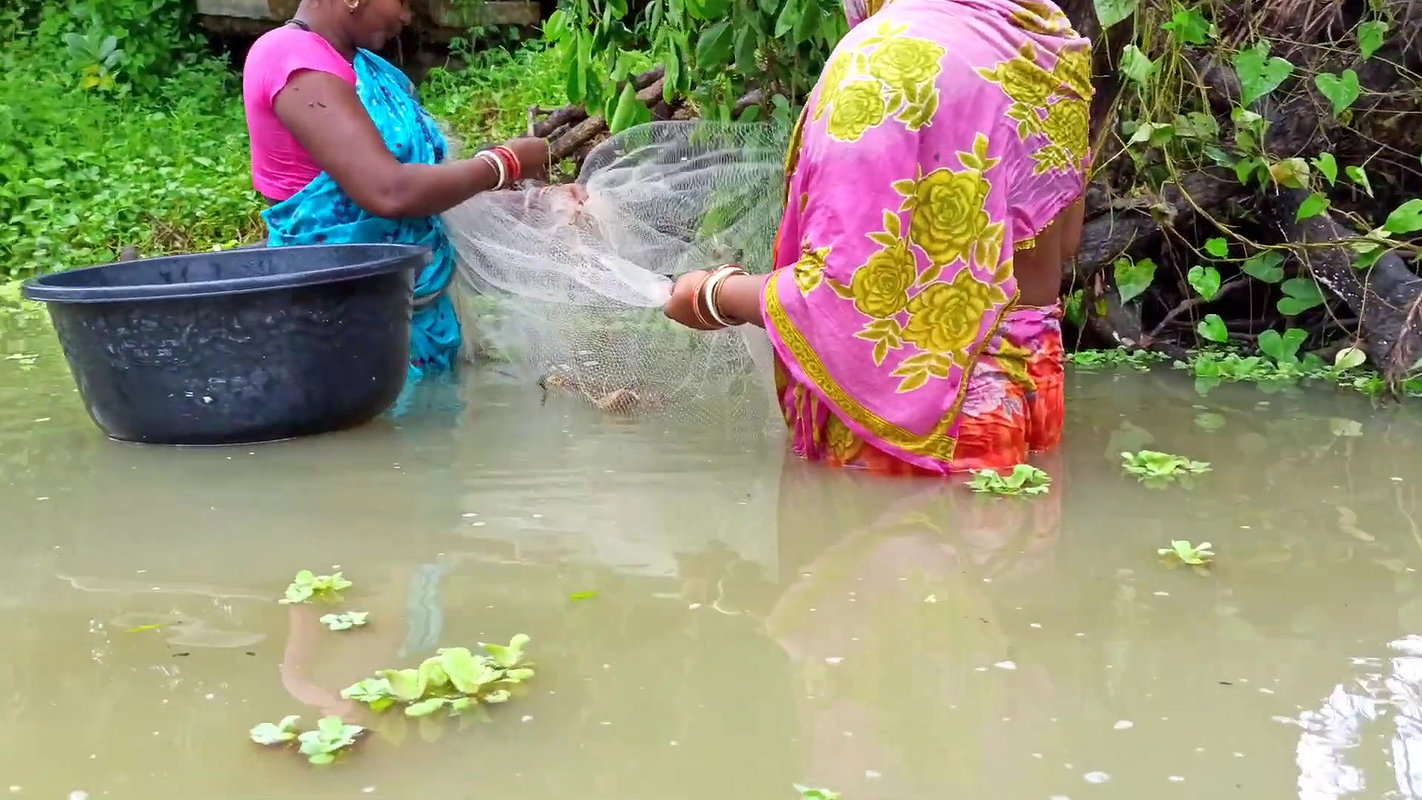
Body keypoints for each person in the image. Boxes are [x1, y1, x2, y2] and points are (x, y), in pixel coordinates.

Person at [663, 0, 1092, 476]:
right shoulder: (1042, 38)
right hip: (1034, 394)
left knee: (866, 544)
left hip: (930, 427)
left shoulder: (881, 58)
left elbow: (841, 295)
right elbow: (1064, 239)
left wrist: (711, 294)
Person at [241, 0, 550, 380]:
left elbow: (428, 195)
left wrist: (532, 204)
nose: (406, 16)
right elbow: (389, 191)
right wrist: (504, 163)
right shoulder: (288, 57)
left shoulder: (371, 69)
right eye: (402, 1)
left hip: (419, 315)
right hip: (338, 326)